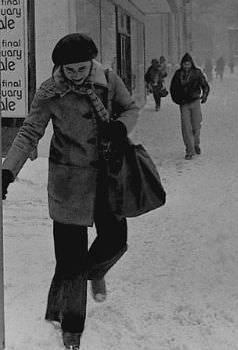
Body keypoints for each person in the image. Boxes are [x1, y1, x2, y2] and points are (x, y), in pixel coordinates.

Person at [1, 33, 139, 350]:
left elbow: (129, 108)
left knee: (115, 241)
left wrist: (120, 127)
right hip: (68, 183)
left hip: (107, 178)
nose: (75, 75)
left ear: (90, 63)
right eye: (69, 70)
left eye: (81, 68)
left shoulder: (108, 80)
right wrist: (8, 170)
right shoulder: (51, 91)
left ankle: (90, 275)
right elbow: (30, 131)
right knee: (71, 259)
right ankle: (72, 332)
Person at [169, 53, 210, 160]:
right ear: (182, 64)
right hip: (183, 104)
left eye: (188, 64)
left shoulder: (197, 73)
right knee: (186, 127)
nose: (186, 66)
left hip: (195, 101)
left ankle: (196, 143)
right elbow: (173, 89)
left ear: (191, 64)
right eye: (184, 64)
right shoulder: (178, 74)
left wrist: (204, 96)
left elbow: (205, 85)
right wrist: (177, 100)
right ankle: (189, 149)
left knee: (196, 125)